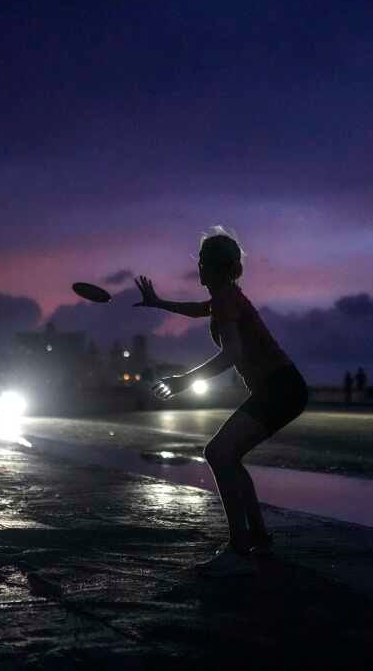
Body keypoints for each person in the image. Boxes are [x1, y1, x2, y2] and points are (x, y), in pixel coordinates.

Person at [135, 227, 307, 576]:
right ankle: (257, 536)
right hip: (281, 388)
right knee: (230, 455)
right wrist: (159, 303)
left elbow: (231, 354)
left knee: (218, 453)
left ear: (212, 267)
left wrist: (183, 381)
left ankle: (239, 545)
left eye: (200, 261)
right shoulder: (224, 298)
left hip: (281, 388)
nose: (197, 267)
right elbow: (200, 310)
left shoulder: (227, 299)